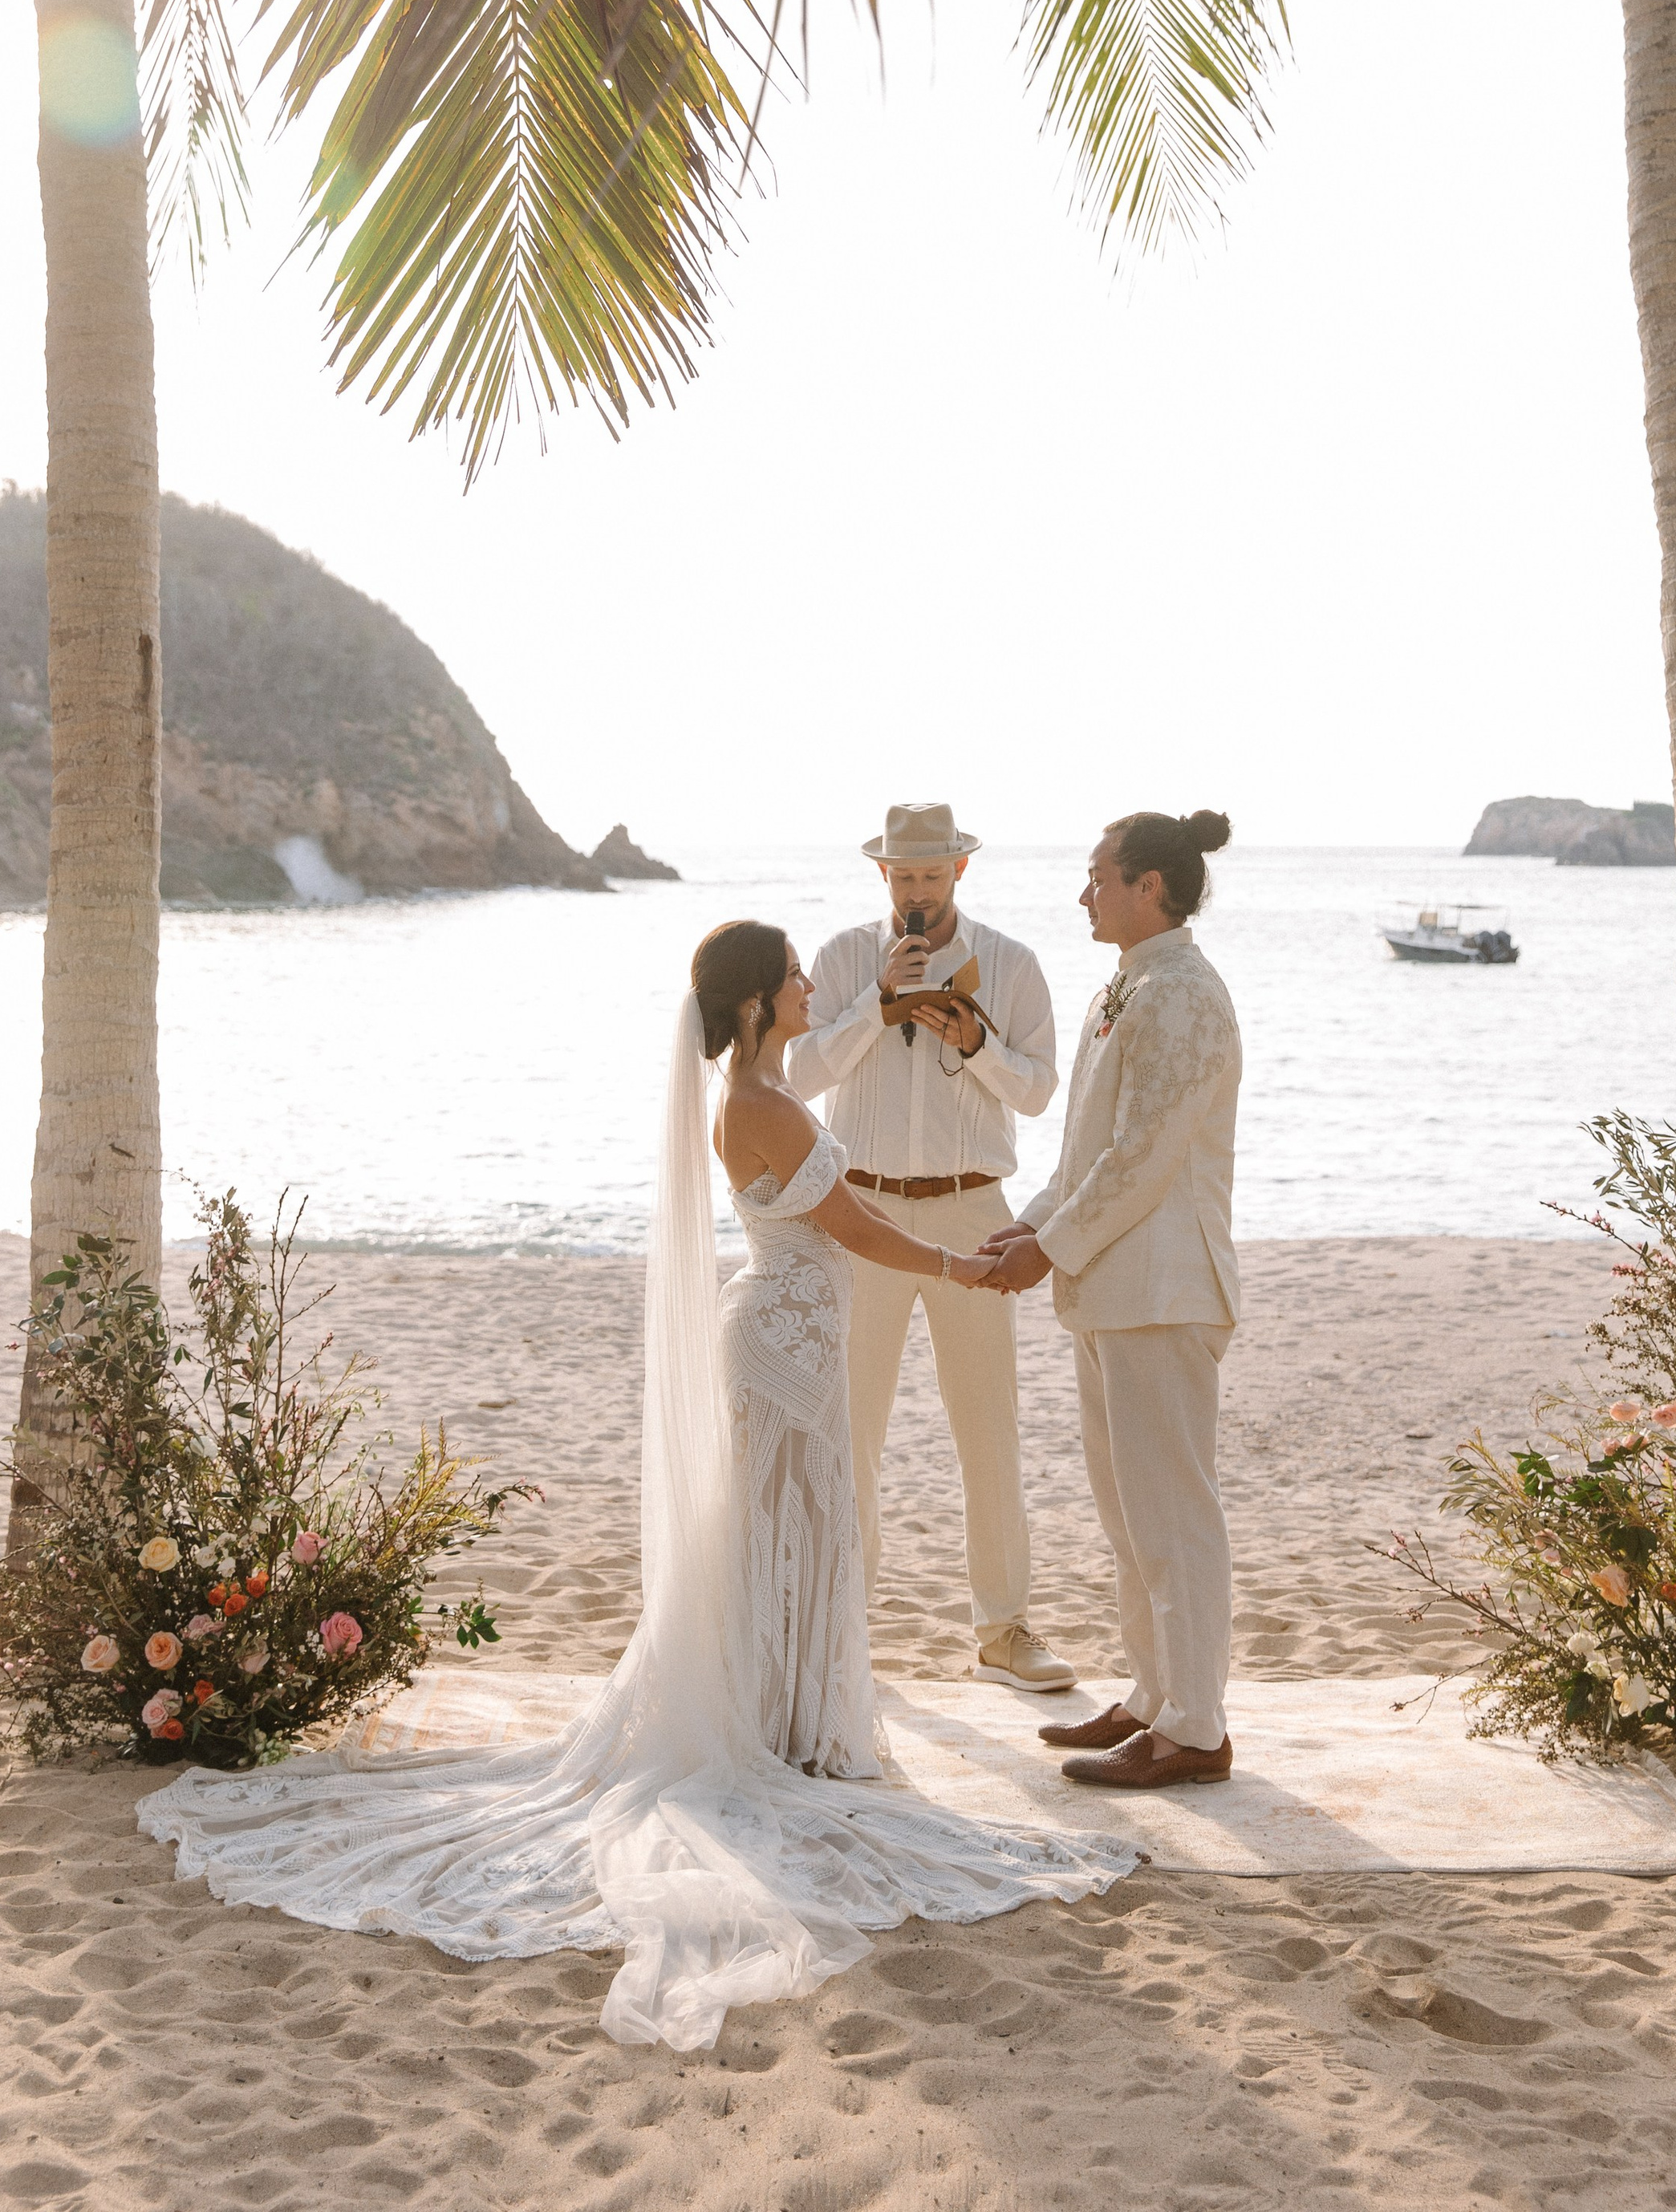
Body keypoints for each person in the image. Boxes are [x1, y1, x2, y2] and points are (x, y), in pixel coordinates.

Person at [137, 921, 1133, 2052]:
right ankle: (785, 1724)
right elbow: (849, 1226)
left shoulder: (764, 1091)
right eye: (798, 976)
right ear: (759, 1000)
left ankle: (792, 1718)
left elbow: (844, 1221)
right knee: (788, 1523)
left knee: (797, 1522)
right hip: (786, 1333)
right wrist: (965, 1263)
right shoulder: (758, 1104)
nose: (815, 985)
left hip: (795, 1331)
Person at [980, 811, 1243, 1792]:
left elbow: (1143, 1159)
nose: (1082, 894)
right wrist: (1033, 1225)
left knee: (1172, 1512)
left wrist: (1047, 1248)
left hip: (1165, 1288)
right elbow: (1088, 1153)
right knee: (1129, 1513)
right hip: (1116, 1288)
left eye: (1096, 878)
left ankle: (1196, 1726)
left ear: (1148, 887)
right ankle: (1151, 1698)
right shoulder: (1129, 986)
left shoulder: (1180, 995)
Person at [789, 800, 1073, 1695]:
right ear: (883, 877)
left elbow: (1036, 1093)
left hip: (971, 1209)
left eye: (931, 873)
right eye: (903, 875)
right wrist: (877, 1006)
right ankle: (846, 1631)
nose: (917, 889)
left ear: (959, 872)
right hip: (863, 1211)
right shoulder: (840, 959)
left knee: (988, 1428)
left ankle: (1002, 1629)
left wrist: (978, 1041)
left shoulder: (1014, 965)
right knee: (852, 1430)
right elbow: (797, 1077)